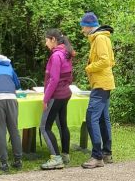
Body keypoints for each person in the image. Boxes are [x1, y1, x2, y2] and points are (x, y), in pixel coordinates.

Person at [79, 11, 116, 169]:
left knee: (91, 117)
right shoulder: (103, 38)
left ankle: (97, 156)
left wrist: (89, 68)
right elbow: (112, 60)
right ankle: (106, 153)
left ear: (89, 26)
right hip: (104, 83)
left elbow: (105, 61)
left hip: (101, 84)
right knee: (102, 118)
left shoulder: (100, 38)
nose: (82, 31)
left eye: (83, 27)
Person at [40, 29, 74, 170]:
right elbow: (69, 76)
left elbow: (53, 80)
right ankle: (65, 155)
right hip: (65, 93)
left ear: (53, 39)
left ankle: (56, 158)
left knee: (44, 127)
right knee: (62, 125)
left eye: (47, 40)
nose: (46, 43)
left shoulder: (56, 56)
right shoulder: (67, 53)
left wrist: (45, 99)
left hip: (56, 95)